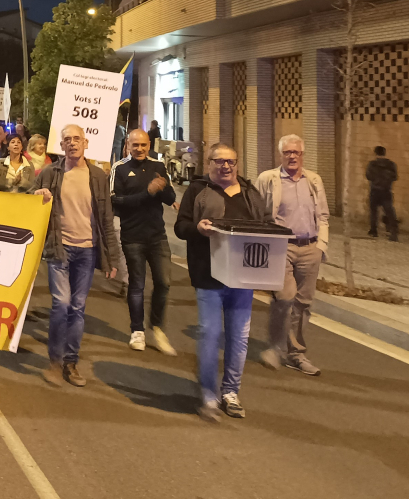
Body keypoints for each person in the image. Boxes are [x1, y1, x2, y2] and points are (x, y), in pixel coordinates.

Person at [174, 143, 270, 422]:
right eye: (219, 161)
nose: (225, 166)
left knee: (239, 337)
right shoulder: (198, 190)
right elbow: (181, 227)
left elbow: (266, 223)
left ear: (237, 163)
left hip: (243, 276)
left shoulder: (250, 192)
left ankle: (230, 392)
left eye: (231, 161)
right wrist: (198, 228)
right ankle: (208, 395)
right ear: (209, 163)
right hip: (208, 276)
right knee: (209, 333)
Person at [31, 124, 119, 388]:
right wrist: (37, 195)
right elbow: (27, 201)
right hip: (60, 247)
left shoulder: (98, 177)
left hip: (88, 250)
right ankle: (54, 362)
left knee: (78, 308)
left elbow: (106, 218)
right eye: (67, 139)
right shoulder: (49, 173)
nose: (72, 143)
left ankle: (71, 361)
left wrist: (111, 258)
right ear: (62, 145)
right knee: (61, 304)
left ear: (86, 143)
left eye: (76, 139)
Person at [256, 135, 330, 376]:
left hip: (310, 247)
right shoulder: (268, 179)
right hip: (281, 247)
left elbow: (324, 216)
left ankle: (296, 353)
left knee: (303, 304)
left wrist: (322, 245)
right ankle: (275, 348)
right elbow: (257, 213)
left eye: (296, 152)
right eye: (287, 152)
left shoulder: (314, 180)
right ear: (281, 155)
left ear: (302, 154)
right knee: (285, 297)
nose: (292, 156)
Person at [111, 129, 177, 355]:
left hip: (157, 235)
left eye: (144, 145)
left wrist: (164, 187)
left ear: (150, 145)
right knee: (137, 285)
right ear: (127, 145)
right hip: (132, 236)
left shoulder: (158, 166)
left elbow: (169, 200)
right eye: (135, 145)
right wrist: (147, 193)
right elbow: (116, 202)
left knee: (164, 283)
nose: (139, 149)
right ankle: (137, 331)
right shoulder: (119, 168)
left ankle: (157, 328)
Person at [366, 145, 399, 242]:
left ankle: (374, 231)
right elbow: (395, 177)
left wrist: (376, 180)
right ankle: (394, 232)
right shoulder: (391, 165)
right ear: (385, 153)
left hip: (375, 191)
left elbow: (368, 176)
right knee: (390, 212)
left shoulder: (372, 164)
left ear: (375, 153)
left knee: (373, 212)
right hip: (386, 191)